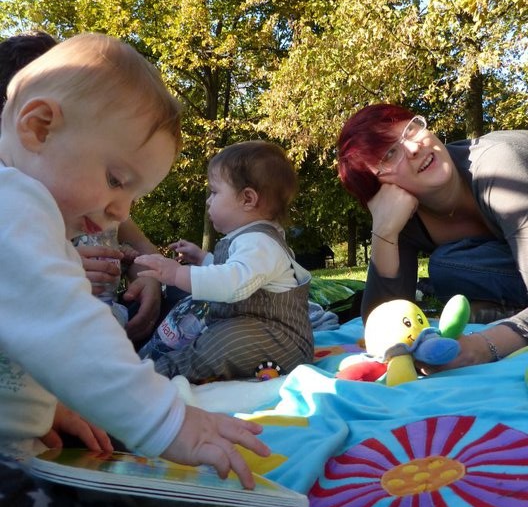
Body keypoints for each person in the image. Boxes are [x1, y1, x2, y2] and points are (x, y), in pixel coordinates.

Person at [0, 33, 281, 507]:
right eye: (115, 180)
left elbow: (24, 336)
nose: (118, 211)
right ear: (39, 127)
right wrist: (168, 421)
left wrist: (46, 407)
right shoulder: (16, 203)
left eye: (132, 196)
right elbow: (68, 330)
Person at [337, 103, 528, 371]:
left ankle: (507, 314)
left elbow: (480, 350)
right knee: (447, 266)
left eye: (410, 130)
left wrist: (483, 346)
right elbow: (382, 327)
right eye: (390, 154)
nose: (414, 147)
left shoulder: (498, 168)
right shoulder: (407, 216)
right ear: (381, 189)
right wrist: (384, 230)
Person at [0, 31, 162, 345]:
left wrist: (150, 276)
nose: (121, 210)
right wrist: (55, 268)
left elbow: (140, 245)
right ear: (36, 126)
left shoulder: (95, 202)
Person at [136, 140, 314, 383]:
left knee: (222, 342)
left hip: (277, 341)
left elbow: (234, 283)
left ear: (247, 199)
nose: (208, 201)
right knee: (206, 323)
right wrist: (203, 259)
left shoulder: (260, 242)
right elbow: (237, 273)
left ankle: (160, 374)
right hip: (258, 332)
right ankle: (159, 364)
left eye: (215, 192)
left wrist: (177, 274)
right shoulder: (250, 239)